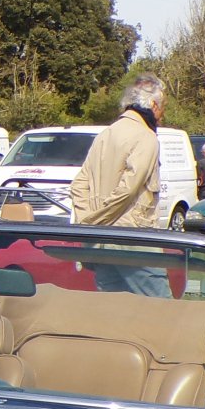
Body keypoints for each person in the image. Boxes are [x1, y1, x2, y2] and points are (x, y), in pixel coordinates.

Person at [69, 73, 171, 296]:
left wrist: (89, 225)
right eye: (163, 107)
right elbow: (129, 189)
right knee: (164, 310)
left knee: (110, 314)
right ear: (153, 105)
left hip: (100, 243)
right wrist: (96, 221)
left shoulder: (106, 134)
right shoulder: (146, 137)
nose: (162, 115)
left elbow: (78, 185)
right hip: (133, 241)